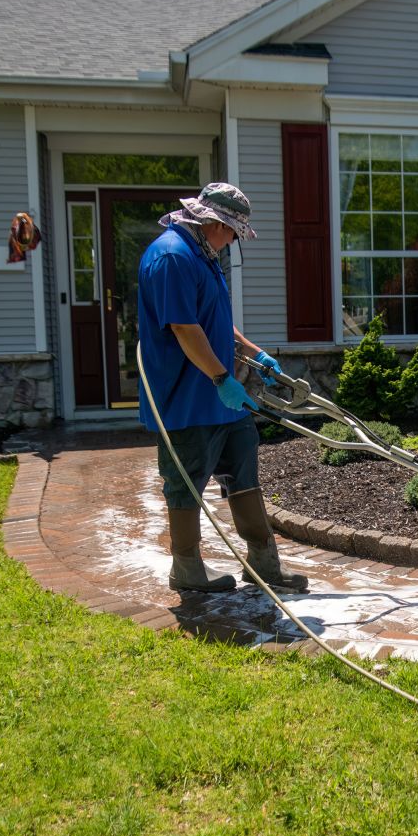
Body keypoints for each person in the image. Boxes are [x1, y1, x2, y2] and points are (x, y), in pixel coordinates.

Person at [138, 182, 307, 593]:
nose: (233, 240)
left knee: (243, 471)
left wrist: (254, 353)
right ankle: (187, 568)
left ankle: (264, 563)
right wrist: (221, 379)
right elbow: (183, 327)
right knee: (186, 482)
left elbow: (212, 320)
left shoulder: (203, 254)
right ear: (213, 222)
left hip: (223, 399)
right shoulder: (171, 257)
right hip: (187, 400)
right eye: (232, 231)